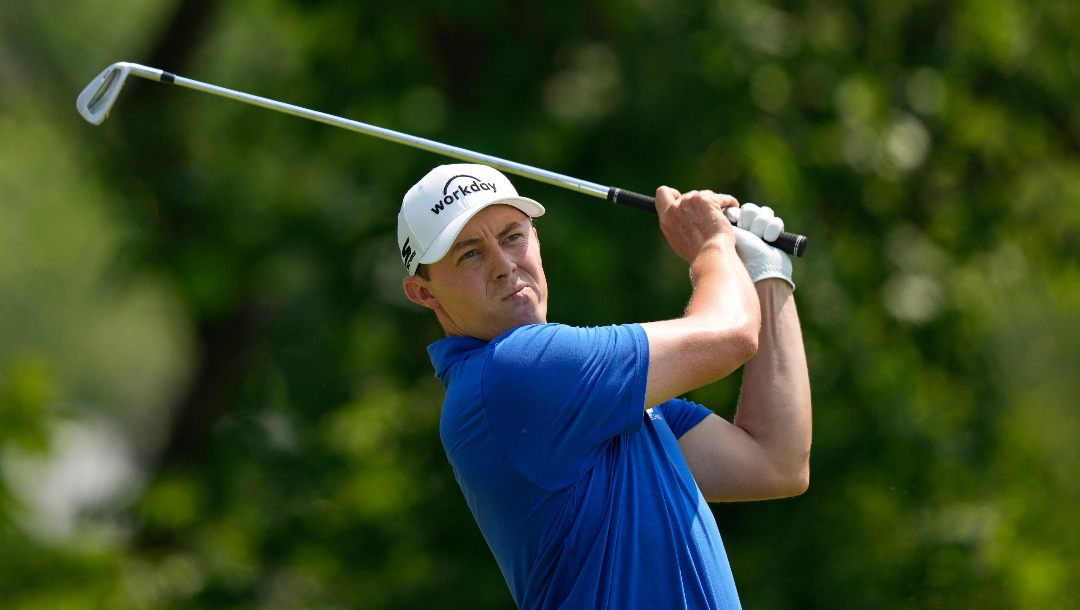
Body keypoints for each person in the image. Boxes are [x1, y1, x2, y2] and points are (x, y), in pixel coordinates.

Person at [398, 163, 811, 609]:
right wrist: (713, 245)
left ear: (537, 239)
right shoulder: (513, 372)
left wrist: (767, 274)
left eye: (513, 236)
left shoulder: (590, 398)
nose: (503, 265)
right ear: (424, 293)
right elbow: (731, 334)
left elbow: (775, 461)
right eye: (469, 254)